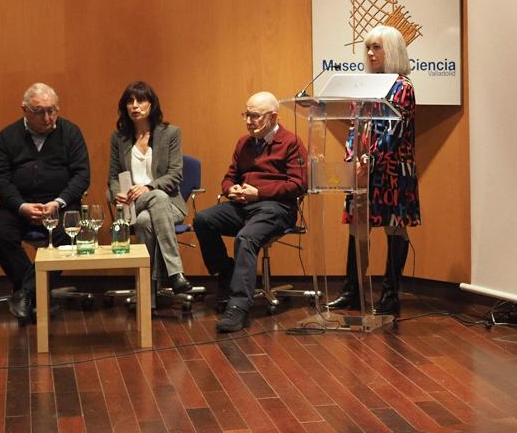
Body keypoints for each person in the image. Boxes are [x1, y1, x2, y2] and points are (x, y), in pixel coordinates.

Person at [326, 24, 420, 316]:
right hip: (361, 169)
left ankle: (390, 295)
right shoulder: (364, 84)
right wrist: (352, 158)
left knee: (394, 226)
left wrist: (370, 160)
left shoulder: (402, 87)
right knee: (358, 225)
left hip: (392, 169)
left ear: (391, 50)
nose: (370, 53)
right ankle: (352, 292)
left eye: (376, 47)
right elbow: (353, 127)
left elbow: (395, 130)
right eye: (367, 47)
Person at [194, 91, 307, 333]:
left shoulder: (291, 142)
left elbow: (298, 185)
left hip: (276, 208)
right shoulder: (244, 143)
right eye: (246, 115)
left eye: (254, 116)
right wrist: (230, 189)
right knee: (203, 220)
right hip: (244, 205)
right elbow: (229, 177)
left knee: (245, 238)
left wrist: (260, 192)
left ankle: (238, 306)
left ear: (273, 116)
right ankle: (226, 270)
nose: (248, 121)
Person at [0, 83, 90, 322]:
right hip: (18, 206)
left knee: (69, 234)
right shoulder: (7, 136)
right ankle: (33, 291)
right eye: (39, 111)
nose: (47, 117)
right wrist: (21, 206)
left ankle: (26, 293)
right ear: (24, 110)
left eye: (52, 110)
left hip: (60, 206)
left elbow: (82, 175)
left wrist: (58, 202)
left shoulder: (71, 132)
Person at [108, 81, 192, 301]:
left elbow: (175, 174)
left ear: (151, 104)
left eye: (141, 100)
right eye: (130, 101)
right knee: (152, 205)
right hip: (131, 204)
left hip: (169, 205)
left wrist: (148, 187)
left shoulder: (171, 133)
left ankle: (147, 297)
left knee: (148, 217)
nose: (135, 105)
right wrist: (117, 193)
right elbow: (113, 176)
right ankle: (175, 273)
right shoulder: (119, 138)